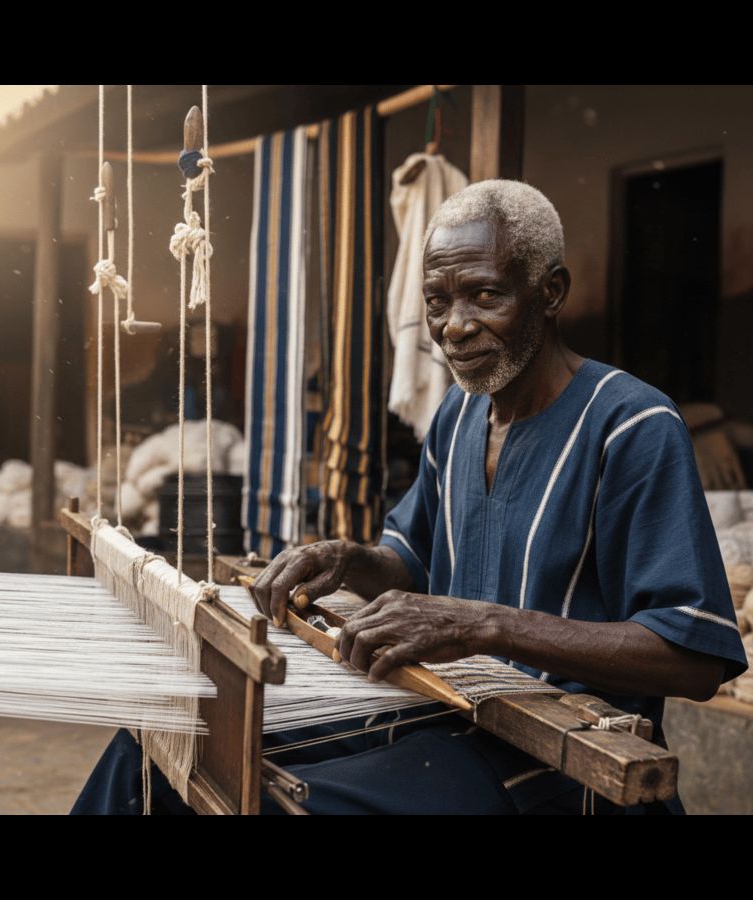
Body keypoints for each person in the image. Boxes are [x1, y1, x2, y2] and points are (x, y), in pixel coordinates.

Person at [71, 179, 748, 815]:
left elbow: (692, 657)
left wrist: (481, 625)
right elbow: (412, 559)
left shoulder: (630, 426)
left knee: (289, 799)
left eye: (485, 296)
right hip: (436, 710)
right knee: (156, 751)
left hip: (561, 758)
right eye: (436, 301)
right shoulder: (457, 416)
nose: (453, 326)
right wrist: (349, 559)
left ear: (550, 293)